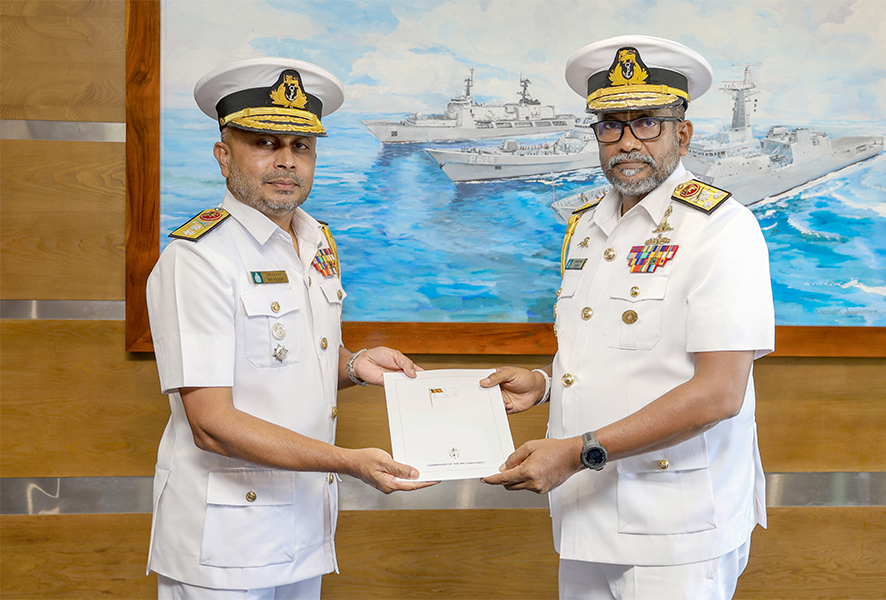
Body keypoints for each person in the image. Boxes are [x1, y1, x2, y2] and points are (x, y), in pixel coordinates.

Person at [481, 36, 774, 600]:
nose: (627, 142)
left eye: (647, 124)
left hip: (675, 526)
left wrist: (573, 451)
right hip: (586, 512)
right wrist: (543, 387)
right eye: (611, 126)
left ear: (681, 134)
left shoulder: (721, 228)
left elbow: (720, 394)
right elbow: (614, 354)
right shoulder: (588, 226)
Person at [146, 58, 434, 600]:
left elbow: (284, 362)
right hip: (226, 543)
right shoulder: (199, 259)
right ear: (223, 154)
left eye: (300, 146)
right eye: (264, 142)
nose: (286, 161)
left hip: (304, 526)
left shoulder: (316, 240)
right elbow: (210, 424)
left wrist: (352, 365)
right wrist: (348, 462)